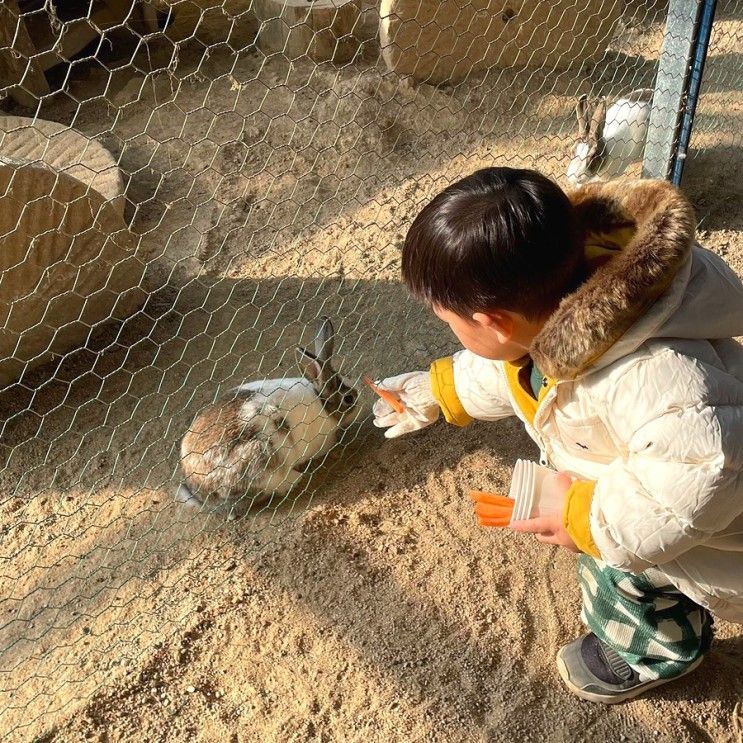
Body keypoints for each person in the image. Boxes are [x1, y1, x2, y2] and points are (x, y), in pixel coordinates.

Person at [372, 167, 743, 703]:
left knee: (617, 567)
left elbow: (698, 471)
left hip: (714, 531)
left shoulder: (655, 380)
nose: (450, 331)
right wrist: (441, 389)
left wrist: (587, 517)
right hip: (654, 493)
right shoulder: (565, 293)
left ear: (493, 321)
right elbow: (510, 367)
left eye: (449, 321)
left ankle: (655, 651)